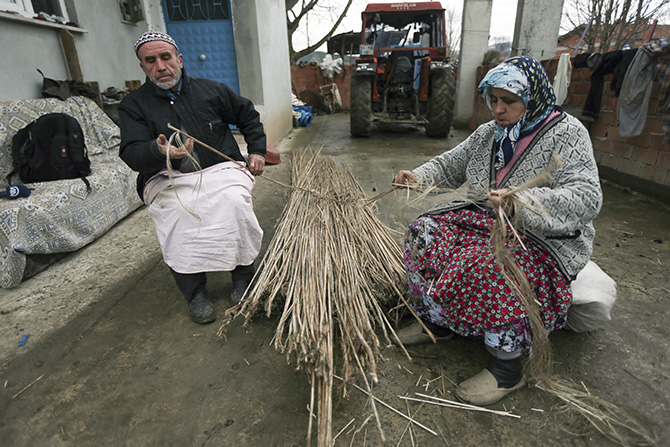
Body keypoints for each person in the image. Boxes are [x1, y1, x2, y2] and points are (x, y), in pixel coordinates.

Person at [393, 56, 603, 406]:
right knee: (423, 233)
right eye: (493, 100)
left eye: (509, 101)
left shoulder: (568, 133)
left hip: (538, 236)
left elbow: (586, 198)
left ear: (533, 96)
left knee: (493, 264)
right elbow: (451, 164)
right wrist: (418, 176)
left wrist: (522, 201)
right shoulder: (489, 133)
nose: (499, 109)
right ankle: (439, 320)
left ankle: (507, 367)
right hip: (483, 220)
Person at [119, 31, 267, 324]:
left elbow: (248, 115)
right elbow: (131, 152)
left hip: (220, 168)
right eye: (151, 60)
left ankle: (242, 277)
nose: (160, 67)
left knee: (233, 203)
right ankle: (195, 292)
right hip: (167, 176)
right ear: (142, 67)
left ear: (180, 59)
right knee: (177, 214)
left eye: (166, 57)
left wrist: (257, 151)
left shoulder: (212, 90)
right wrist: (157, 150)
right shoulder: (133, 105)